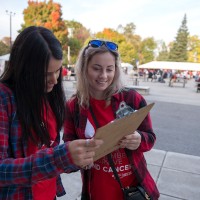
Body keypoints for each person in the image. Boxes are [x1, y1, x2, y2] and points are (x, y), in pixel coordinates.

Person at [0, 26, 103, 200]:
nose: (54, 80)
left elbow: (50, 150)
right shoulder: (4, 98)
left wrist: (76, 157)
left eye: (57, 71)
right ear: (23, 69)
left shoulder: (49, 97)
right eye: (45, 74)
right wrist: (59, 158)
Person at [63, 39, 160, 200]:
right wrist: (79, 158)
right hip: (97, 190)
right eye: (96, 68)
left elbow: (150, 138)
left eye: (110, 69)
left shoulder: (132, 99)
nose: (104, 76)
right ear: (84, 68)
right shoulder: (74, 106)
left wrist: (139, 139)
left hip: (134, 189)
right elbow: (68, 147)